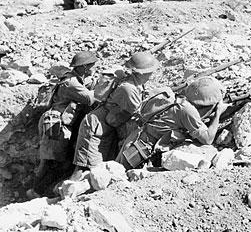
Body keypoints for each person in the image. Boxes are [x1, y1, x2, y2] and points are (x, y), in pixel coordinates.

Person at [70, 52, 159, 180]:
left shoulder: (136, 84)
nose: (151, 75)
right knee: (85, 167)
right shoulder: (129, 88)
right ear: (141, 73)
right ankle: (67, 194)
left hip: (108, 125)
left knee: (100, 169)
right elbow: (139, 113)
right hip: (96, 127)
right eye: (150, 72)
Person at [116, 76, 229, 170]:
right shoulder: (187, 110)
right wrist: (218, 113)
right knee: (116, 179)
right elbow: (207, 139)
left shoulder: (176, 97)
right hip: (139, 152)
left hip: (134, 139)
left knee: (114, 169)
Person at [26, 51, 98, 198]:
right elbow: (90, 99)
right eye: (92, 65)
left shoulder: (75, 79)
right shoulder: (71, 83)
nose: (94, 68)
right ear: (84, 67)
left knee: (60, 161)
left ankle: (43, 191)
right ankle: (35, 192)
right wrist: (104, 86)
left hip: (62, 124)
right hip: (56, 125)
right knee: (50, 162)